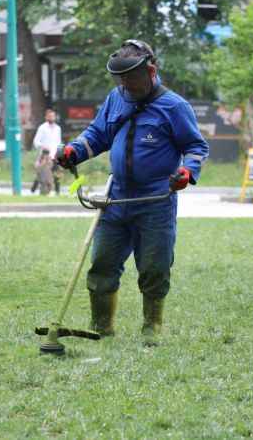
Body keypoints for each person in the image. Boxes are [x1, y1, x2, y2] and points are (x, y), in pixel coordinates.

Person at [55, 39, 209, 345]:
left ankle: (152, 326)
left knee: (154, 267)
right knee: (102, 263)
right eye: (120, 78)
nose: (125, 84)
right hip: (116, 198)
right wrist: (73, 151)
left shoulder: (175, 106)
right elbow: (98, 135)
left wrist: (187, 172)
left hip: (155, 200)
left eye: (131, 78)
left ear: (151, 71)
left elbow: (195, 146)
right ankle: (102, 327)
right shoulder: (116, 98)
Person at [31, 108, 62, 195]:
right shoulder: (42, 128)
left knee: (56, 172)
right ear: (46, 117)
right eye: (50, 116)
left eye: (53, 116)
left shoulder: (57, 128)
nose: (52, 118)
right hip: (45, 155)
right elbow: (36, 141)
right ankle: (33, 189)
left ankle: (57, 191)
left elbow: (58, 142)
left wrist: (60, 153)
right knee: (42, 173)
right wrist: (43, 146)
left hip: (54, 154)